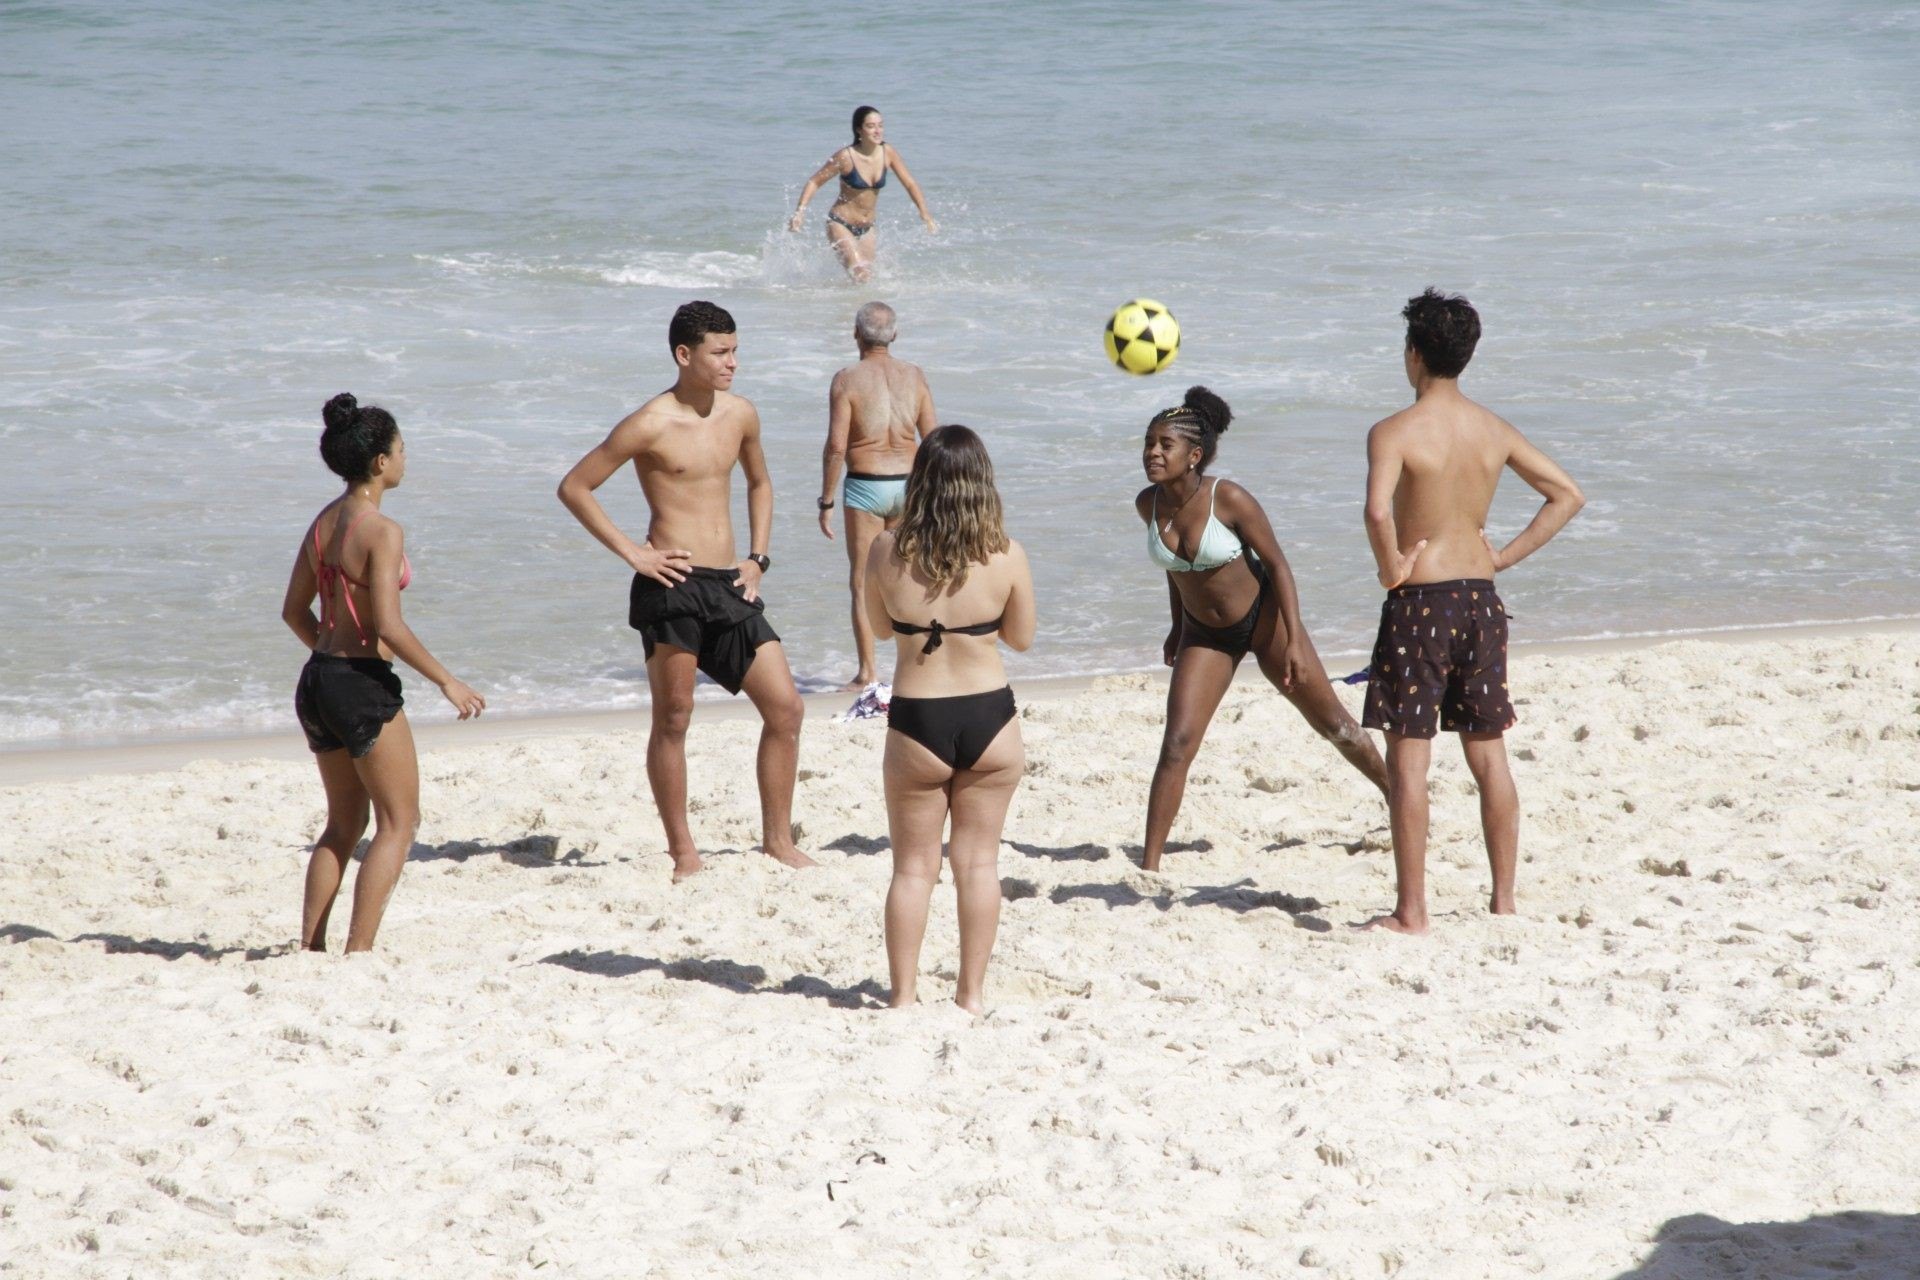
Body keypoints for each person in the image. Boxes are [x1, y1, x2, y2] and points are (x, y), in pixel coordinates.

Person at [557, 301, 814, 882]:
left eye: (735, 350)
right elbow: (575, 487)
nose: (732, 363)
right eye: (720, 352)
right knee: (674, 717)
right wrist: (634, 553)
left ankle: (777, 841)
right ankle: (683, 852)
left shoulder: (741, 414)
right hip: (671, 584)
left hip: (729, 583)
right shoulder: (649, 423)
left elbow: (760, 482)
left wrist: (758, 558)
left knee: (786, 708)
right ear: (684, 354)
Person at [1361, 288, 1585, 933]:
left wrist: (1390, 566)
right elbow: (1567, 495)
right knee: (1489, 756)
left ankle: (1412, 912)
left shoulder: (1393, 431)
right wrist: (1504, 557)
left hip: (1421, 604)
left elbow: (1377, 510)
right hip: (1480, 603)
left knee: (1410, 761)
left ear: (1413, 353)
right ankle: (1503, 901)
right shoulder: (1494, 429)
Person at [1136, 386, 1389, 873]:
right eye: (1148, 443)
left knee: (1335, 726)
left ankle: (1398, 797)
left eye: (1165, 444)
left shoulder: (1228, 498)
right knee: (1177, 743)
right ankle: (1149, 867)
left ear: (1194, 455)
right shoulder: (1148, 504)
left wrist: (1293, 639)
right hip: (1204, 635)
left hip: (1265, 622)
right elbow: (1174, 569)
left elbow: (1278, 565)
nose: (1153, 453)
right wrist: (1175, 625)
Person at [280, 394, 486, 953]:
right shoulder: (382, 530)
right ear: (380, 462)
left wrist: (332, 658)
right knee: (399, 822)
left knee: (342, 824)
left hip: (317, 679)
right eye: (401, 449)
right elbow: (389, 625)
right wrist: (447, 681)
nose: (404, 458)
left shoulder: (322, 522)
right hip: (359, 685)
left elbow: (293, 612)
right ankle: (359, 951)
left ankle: (311, 948)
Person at [864, 426, 1035, 1014]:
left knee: (913, 870)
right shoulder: (1006, 555)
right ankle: (971, 996)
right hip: (989, 716)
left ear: (920, 481)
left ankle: (902, 998)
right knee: (979, 865)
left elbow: (880, 629)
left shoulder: (885, 550)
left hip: (918, 718)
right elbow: (1022, 638)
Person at [818, 301, 938, 690]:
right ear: (895, 335)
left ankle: (868, 673)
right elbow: (932, 439)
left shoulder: (846, 379)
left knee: (861, 581)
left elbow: (837, 446)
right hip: (908, 483)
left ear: (856, 334)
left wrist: (826, 500)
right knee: (909, 577)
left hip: (866, 485)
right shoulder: (915, 376)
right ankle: (918, 668)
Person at [787, 105, 937, 282]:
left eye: (880, 125)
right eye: (871, 126)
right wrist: (800, 212)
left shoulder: (887, 152)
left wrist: (924, 213)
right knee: (860, 274)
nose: (877, 131)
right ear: (859, 129)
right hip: (840, 223)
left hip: (867, 228)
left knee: (867, 279)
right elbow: (814, 182)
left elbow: (910, 183)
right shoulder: (845, 156)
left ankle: (839, 299)